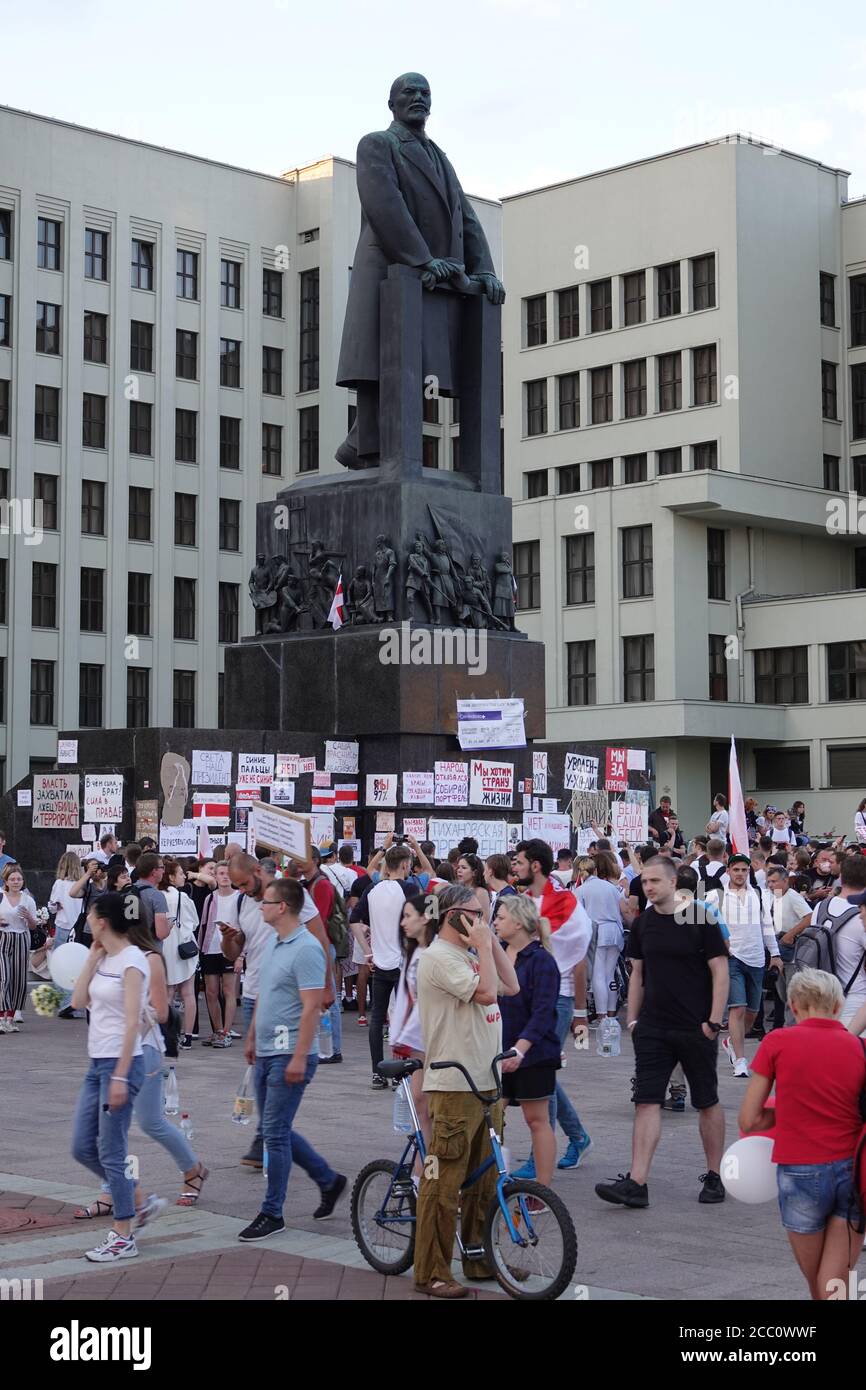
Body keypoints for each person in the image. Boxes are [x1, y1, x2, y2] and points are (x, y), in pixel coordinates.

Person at [596, 857, 729, 1209]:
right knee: (646, 1101)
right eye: (645, 881)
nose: (648, 887)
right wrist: (633, 1020)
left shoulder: (701, 918)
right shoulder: (644, 924)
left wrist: (714, 1021)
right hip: (653, 1028)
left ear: (673, 882)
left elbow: (720, 970)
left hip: (696, 1026)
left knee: (707, 1101)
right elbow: (637, 973)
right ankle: (637, 1182)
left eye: (655, 881)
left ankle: (714, 1175)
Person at [413, 884, 519, 1298]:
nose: (483, 919)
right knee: (443, 1183)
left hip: (486, 1081)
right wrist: (483, 944)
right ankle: (431, 1271)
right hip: (453, 1084)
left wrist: (487, 941)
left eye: (485, 912)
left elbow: (511, 985)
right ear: (451, 914)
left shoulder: (472, 952)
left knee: (485, 1181)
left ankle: (480, 1258)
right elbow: (488, 993)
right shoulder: (438, 958)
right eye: (475, 913)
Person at [74, 901, 209, 1219]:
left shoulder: (146, 959)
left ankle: (191, 1170)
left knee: (148, 1122)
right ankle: (116, 1193)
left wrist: (134, 1011)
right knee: (101, 1135)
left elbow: (162, 1013)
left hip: (141, 1049)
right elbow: (81, 1000)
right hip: (107, 1052)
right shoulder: (107, 955)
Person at [739, 968, 866, 1300]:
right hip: (851, 1172)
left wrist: (791, 1111)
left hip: (799, 1171)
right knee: (837, 1282)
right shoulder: (859, 1048)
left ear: (793, 1006)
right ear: (838, 1006)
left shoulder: (778, 1041)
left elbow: (749, 1120)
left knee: (818, 1287)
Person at [238, 878, 346, 1241]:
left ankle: (273, 1212)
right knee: (275, 1129)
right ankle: (328, 1180)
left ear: (282, 907)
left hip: (290, 1053)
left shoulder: (307, 949)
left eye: (265, 902)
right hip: (268, 1049)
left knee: (274, 1132)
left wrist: (301, 1055)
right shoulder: (274, 942)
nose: (260, 906)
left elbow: (312, 1006)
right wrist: (252, 1035)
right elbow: (265, 994)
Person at [221, 854, 329, 1170]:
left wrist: (327, 985)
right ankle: (275, 1139)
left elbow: (318, 935)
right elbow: (234, 952)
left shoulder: (289, 893)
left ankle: (267, 1139)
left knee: (276, 1099)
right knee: (263, 1082)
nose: (243, 890)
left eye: (245, 883)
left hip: (288, 995)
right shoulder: (243, 903)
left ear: (258, 871)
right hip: (256, 993)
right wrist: (229, 940)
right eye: (238, 886)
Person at [69, 892, 150, 1262]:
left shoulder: (133, 961)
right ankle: (134, 1197)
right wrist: (91, 957)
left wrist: (119, 1077)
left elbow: (133, 1021)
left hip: (122, 1064)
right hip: (97, 1063)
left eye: (90, 914)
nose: (86, 918)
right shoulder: (106, 956)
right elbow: (77, 1002)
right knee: (82, 1146)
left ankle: (123, 1233)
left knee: (111, 1151)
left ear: (102, 920)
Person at [512, 840, 593, 1173]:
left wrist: (579, 1012)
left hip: (556, 997)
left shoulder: (565, 902)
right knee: (542, 1071)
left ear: (535, 865)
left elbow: (578, 956)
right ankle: (577, 1137)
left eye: (518, 861)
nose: (513, 866)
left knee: (540, 1072)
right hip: (526, 996)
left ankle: (539, 1156)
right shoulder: (523, 901)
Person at [496, 893, 562, 1185]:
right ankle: (491, 1182)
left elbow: (543, 1013)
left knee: (537, 1120)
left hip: (533, 1053)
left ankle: (542, 1188)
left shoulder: (542, 961)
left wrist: (519, 1050)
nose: (495, 922)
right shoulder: (496, 953)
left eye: (501, 917)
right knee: (491, 1119)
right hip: (497, 1052)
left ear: (520, 923)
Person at [708, 854, 781, 1077]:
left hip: (757, 958)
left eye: (744, 870)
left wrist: (775, 954)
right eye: (736, 869)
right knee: (737, 1008)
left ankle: (732, 1041)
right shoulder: (715, 896)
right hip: (732, 958)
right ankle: (740, 1060)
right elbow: (699, 922)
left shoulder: (760, 895)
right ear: (728, 871)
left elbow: (767, 925)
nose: (740, 874)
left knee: (751, 1014)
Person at [351, 844, 415, 1089]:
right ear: (405, 865)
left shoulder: (373, 889)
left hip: (379, 962)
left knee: (377, 1019)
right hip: (402, 962)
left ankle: (377, 1073)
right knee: (403, 1018)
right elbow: (428, 915)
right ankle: (402, 1072)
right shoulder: (409, 888)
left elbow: (354, 919)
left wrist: (368, 950)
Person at [389, 893, 439, 1160]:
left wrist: (403, 1036)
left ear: (426, 916)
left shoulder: (434, 952)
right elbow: (407, 996)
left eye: (408, 916)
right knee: (421, 1104)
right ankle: (425, 1166)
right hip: (420, 1038)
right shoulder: (414, 951)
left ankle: (427, 1167)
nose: (403, 923)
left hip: (433, 1037)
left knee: (426, 1104)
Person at [805, 855, 866, 1029]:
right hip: (855, 999)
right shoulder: (861, 914)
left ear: (841, 877)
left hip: (823, 997)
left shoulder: (821, 906)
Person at [575, 850, 628, 1021]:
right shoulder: (612, 888)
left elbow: (579, 917)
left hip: (597, 931)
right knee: (609, 974)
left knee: (599, 975)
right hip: (615, 930)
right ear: (595, 871)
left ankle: (602, 1015)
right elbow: (623, 908)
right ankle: (610, 1014)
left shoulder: (581, 890)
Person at [198, 861, 240, 1047]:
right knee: (211, 991)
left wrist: (241, 955)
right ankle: (217, 1030)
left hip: (231, 948)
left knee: (229, 990)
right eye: (220, 873)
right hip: (210, 948)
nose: (224, 876)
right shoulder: (210, 898)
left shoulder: (239, 897)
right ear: (215, 876)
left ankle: (226, 1031)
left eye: (227, 873)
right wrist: (200, 950)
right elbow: (204, 925)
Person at [160, 858, 199, 1048]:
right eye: (181, 873)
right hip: (185, 947)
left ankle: (166, 1035)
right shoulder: (182, 897)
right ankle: (188, 1036)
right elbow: (195, 921)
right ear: (171, 877)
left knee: (168, 992)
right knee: (188, 993)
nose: (184, 876)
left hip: (166, 946)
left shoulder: (158, 895)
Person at [0, 864, 37, 1031]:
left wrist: (29, 917)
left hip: (21, 938)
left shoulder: (28, 900)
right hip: (3, 938)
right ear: (6, 881)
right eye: (12, 879)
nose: (16, 882)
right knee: (5, 978)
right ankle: (1, 1017)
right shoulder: (0, 897)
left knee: (18, 980)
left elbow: (33, 926)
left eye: (19, 879)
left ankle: (10, 1019)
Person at [48, 851, 84, 1019]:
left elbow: (53, 906)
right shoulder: (83, 883)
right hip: (79, 928)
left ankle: (64, 1002)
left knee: (60, 965)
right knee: (79, 965)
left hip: (63, 925)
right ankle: (76, 1001)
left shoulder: (59, 884)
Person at [132, 852, 170, 945]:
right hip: (150, 949)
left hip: (130, 949)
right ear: (154, 871)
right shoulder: (156, 895)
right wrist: (169, 925)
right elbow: (161, 933)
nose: (164, 871)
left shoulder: (127, 890)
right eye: (162, 867)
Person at [455, 853, 491, 923]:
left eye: (464, 867)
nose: (459, 870)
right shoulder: (458, 890)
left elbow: (485, 919)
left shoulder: (480, 892)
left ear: (474, 872)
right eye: (458, 867)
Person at [483, 854, 517, 921]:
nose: (483, 873)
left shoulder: (507, 895)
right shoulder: (502, 893)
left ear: (490, 871)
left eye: (485, 869)